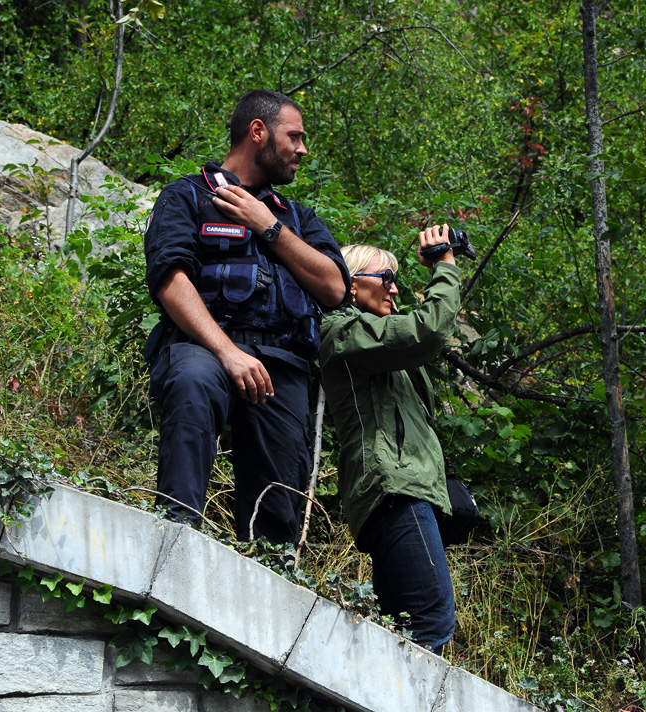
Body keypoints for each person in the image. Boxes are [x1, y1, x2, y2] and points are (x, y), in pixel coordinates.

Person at [144, 90, 350, 544]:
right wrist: (228, 352)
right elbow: (170, 280)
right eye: (294, 137)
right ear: (258, 131)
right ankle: (175, 536)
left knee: (278, 506)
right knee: (193, 382)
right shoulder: (187, 196)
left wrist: (269, 226)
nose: (302, 149)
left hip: (282, 366)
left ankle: (272, 568)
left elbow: (336, 287)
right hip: (205, 347)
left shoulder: (297, 217)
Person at [318, 226, 461, 655]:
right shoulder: (341, 332)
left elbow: (417, 336)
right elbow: (428, 330)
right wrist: (445, 267)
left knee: (401, 627)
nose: (394, 289)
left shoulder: (378, 345)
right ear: (351, 283)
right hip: (393, 489)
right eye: (386, 278)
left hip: (404, 489)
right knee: (433, 618)